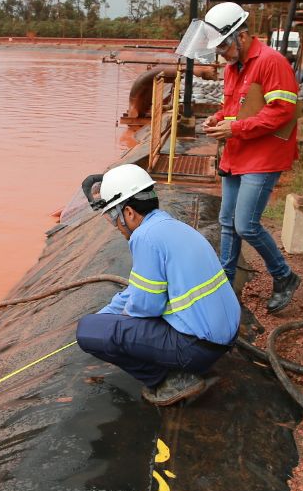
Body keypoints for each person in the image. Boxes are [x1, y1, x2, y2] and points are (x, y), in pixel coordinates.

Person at [76, 164, 240, 406]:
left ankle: (167, 379)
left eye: (114, 218)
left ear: (129, 212)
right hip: (223, 337)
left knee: (87, 331)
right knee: (100, 323)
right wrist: (107, 315)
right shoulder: (170, 227)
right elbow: (138, 288)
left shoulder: (144, 237)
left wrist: (105, 328)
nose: (117, 227)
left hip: (198, 349)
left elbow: (146, 307)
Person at [197, 2, 302, 314]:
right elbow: (233, 109)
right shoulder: (233, 68)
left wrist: (237, 127)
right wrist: (217, 119)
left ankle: (285, 276)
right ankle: (224, 282)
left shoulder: (271, 62)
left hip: (264, 156)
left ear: (241, 37)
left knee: (246, 224)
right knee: (227, 222)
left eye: (224, 47)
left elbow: (283, 112)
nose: (221, 55)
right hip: (237, 152)